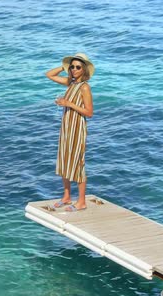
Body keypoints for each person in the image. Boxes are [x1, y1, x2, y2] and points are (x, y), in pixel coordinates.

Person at [45, 53, 94, 212]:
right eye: (72, 67)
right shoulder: (70, 83)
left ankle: (81, 201)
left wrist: (68, 103)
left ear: (84, 69)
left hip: (77, 128)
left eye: (78, 67)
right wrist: (64, 67)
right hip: (66, 127)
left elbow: (89, 112)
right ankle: (66, 197)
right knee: (64, 160)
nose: (74, 69)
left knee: (78, 164)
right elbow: (49, 74)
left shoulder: (84, 87)